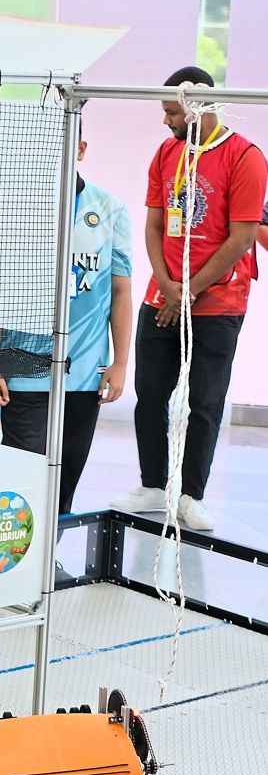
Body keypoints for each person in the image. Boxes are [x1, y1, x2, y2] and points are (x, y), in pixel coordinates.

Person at [111, 66, 267, 531]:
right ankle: (154, 485)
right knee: (151, 394)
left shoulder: (245, 158)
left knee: (205, 401)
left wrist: (191, 291)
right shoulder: (166, 153)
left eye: (171, 111)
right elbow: (155, 225)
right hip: (164, 297)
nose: (165, 121)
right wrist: (167, 285)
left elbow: (241, 238)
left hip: (218, 304)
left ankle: (192, 495)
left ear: (199, 107)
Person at [0, 135, 133, 515]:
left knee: (67, 476)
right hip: (24, 368)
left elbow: (120, 290)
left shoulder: (109, 209)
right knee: (19, 477)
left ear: (82, 149)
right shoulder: (15, 210)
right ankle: (16, 566)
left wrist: (120, 363)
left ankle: (49, 561)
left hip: (83, 375)